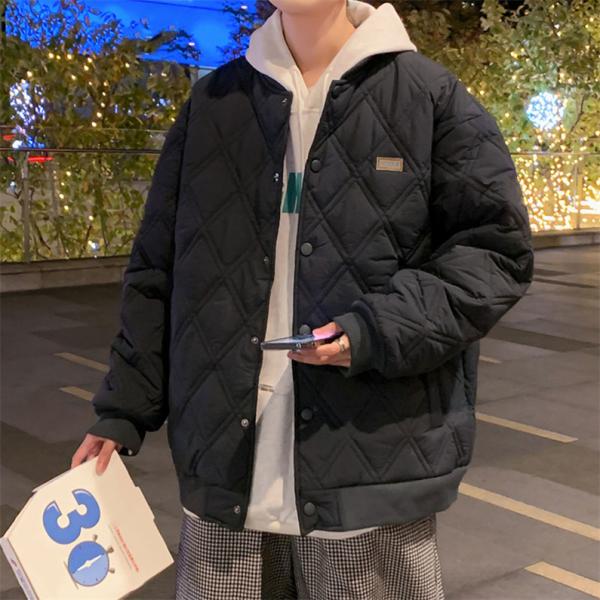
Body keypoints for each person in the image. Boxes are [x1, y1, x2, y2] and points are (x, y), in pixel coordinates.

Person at [71, 0, 534, 597]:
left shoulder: (429, 97)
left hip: (368, 459)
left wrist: (372, 331)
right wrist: (124, 408)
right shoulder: (215, 103)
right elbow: (158, 268)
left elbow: (494, 255)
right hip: (226, 468)